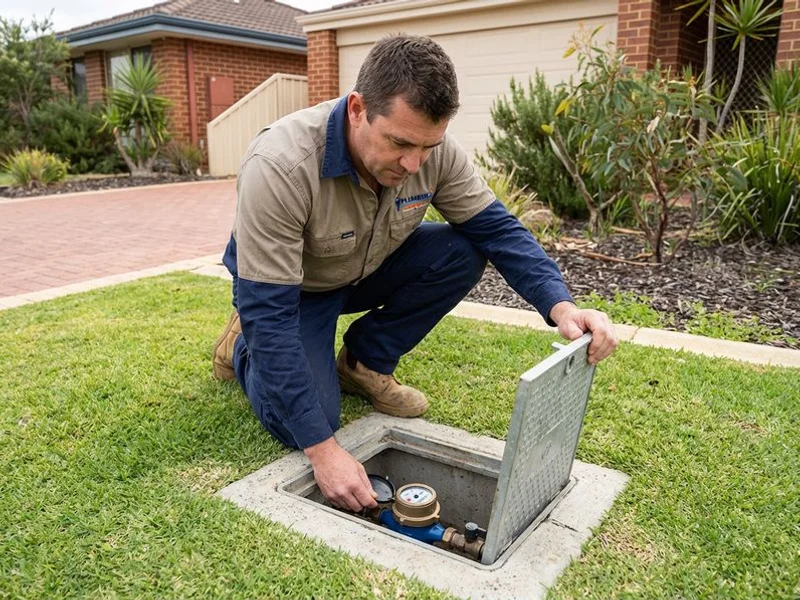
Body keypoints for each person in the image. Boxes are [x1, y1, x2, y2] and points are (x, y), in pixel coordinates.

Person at [213, 34, 618, 514]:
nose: (413, 163)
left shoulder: (432, 152)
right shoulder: (280, 164)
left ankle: (363, 363)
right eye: (400, 143)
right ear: (359, 108)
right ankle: (240, 346)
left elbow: (499, 231)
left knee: (463, 248)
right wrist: (323, 452)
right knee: (307, 421)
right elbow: (272, 311)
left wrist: (562, 306)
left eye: (428, 146)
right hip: (295, 290)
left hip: (368, 269)